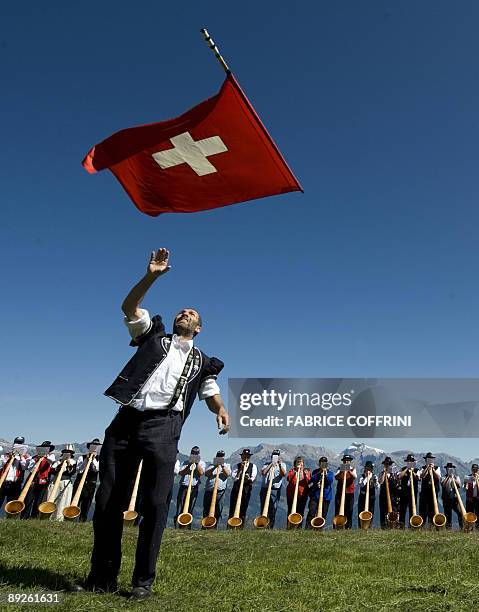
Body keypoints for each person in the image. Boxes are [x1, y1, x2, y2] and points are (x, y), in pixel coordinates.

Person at [70, 248, 229, 600]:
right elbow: (129, 308)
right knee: (109, 499)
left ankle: (142, 583)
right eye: (181, 311)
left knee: (155, 505)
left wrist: (221, 410)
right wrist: (151, 277)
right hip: (126, 421)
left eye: (192, 313)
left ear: (199, 328)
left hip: (165, 428)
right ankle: (102, 578)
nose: (185, 312)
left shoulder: (204, 362)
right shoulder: (153, 336)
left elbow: (209, 392)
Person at [22, 441, 56, 519]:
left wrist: (45, 456)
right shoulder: (34, 458)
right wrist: (37, 459)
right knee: (28, 499)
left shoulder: (51, 456)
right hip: (33, 480)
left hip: (43, 481)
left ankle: (34, 517)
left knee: (39, 500)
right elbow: (30, 469)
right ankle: (24, 517)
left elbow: (51, 462)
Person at [174, 446, 205, 526]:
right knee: (180, 506)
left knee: (190, 507)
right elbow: (181, 473)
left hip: (194, 487)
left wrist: (196, 464)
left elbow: (201, 473)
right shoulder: (185, 462)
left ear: (199, 454)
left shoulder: (202, 463)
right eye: (193, 453)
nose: (194, 455)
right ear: (190, 453)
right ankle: (178, 524)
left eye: (196, 453)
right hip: (184, 487)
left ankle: (187, 525)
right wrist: (189, 465)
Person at [72, 438, 101, 522]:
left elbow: (96, 469)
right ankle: (71, 518)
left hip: (90, 485)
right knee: (76, 502)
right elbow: (79, 470)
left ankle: (82, 520)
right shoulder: (82, 457)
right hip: (79, 483)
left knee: (87, 504)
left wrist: (93, 459)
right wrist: (86, 460)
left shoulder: (99, 459)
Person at [258, 450, 287, 529]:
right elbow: (263, 472)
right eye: (274, 455)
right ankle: (262, 525)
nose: (275, 457)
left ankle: (270, 526)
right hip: (265, 488)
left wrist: (279, 464)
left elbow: (283, 474)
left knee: (273, 508)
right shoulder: (266, 464)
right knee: (263, 507)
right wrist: (271, 464)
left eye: (277, 455)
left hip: (275, 489)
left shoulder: (283, 464)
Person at [228, 449, 257, 527]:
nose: (245, 458)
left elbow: (253, 478)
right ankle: (231, 525)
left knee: (244, 506)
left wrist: (248, 478)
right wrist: (240, 469)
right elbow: (234, 478)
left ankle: (241, 525)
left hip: (246, 488)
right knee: (233, 506)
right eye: (244, 456)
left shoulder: (253, 466)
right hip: (237, 487)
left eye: (247, 456)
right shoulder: (236, 466)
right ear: (241, 457)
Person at [48, 444, 77, 521]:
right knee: (52, 498)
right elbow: (52, 471)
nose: (67, 453)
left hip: (65, 482)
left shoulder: (73, 462)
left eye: (69, 452)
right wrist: (61, 463)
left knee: (63, 500)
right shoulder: (58, 462)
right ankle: (49, 516)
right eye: (65, 452)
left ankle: (59, 518)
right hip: (55, 481)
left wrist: (68, 464)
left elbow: (71, 472)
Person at [202, 450, 231, 527]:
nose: (220, 457)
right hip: (209, 490)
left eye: (221, 456)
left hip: (220, 491)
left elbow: (227, 474)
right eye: (219, 456)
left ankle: (215, 526)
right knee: (206, 509)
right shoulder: (211, 465)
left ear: (224, 457)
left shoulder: (227, 465)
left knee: (218, 509)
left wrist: (222, 466)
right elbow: (206, 474)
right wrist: (215, 466)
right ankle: (205, 525)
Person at [0, 437, 30, 509]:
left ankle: (10, 518)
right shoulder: (5, 455)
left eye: (20, 444)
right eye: (17, 443)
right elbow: (1, 465)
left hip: (15, 483)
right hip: (4, 482)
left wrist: (21, 456)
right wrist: (8, 457)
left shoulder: (25, 457)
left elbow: (24, 467)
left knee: (12, 504)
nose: (18, 445)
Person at [306, 457, 334, 529]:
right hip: (315, 495)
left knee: (323, 514)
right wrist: (320, 473)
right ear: (319, 464)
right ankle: (308, 528)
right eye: (321, 463)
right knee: (311, 512)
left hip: (326, 497)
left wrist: (325, 473)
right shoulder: (315, 472)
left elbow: (329, 481)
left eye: (324, 463)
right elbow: (312, 480)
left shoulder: (330, 473)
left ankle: (319, 529)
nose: (322, 464)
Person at [286, 456, 311, 528]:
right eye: (298, 462)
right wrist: (296, 471)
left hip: (302, 494)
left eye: (301, 462)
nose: (300, 464)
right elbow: (289, 479)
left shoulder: (307, 471)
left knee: (300, 511)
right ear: (295, 464)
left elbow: (308, 482)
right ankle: (289, 526)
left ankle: (299, 527)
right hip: (292, 494)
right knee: (290, 511)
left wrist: (305, 474)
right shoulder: (292, 471)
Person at [398, 454, 421, 528]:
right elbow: (399, 476)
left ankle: (412, 526)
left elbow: (418, 478)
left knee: (412, 509)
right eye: (408, 461)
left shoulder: (417, 470)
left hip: (413, 493)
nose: (409, 462)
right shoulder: (403, 469)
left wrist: (412, 471)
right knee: (402, 509)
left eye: (411, 461)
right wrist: (407, 469)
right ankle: (401, 526)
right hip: (404, 492)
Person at [334, 454, 357, 529]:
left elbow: (354, 477)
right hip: (340, 492)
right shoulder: (339, 469)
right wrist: (341, 471)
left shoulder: (353, 469)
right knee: (338, 509)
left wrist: (349, 471)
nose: (346, 462)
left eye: (348, 461)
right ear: (343, 461)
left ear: (350, 462)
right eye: (345, 461)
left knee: (349, 510)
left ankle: (348, 527)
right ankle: (337, 525)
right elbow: (336, 477)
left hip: (349, 493)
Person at [419, 452, 441, 526]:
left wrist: (433, 469)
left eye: (431, 459)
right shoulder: (422, 468)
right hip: (424, 492)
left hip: (434, 492)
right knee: (423, 510)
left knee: (432, 510)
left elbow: (438, 477)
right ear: (426, 460)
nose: (430, 460)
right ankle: (422, 525)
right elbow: (421, 476)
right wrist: (427, 468)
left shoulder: (437, 468)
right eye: (429, 459)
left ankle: (431, 525)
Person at [378, 457, 399, 528]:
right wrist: (384, 473)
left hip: (393, 495)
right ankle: (383, 526)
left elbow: (397, 483)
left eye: (389, 464)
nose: (387, 465)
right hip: (383, 496)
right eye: (386, 464)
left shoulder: (394, 474)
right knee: (383, 511)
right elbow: (381, 482)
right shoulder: (381, 473)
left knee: (394, 510)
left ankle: (393, 525)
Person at [441, 462, 463, 530]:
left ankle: (461, 527)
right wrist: (448, 477)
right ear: (446, 469)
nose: (450, 470)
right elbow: (443, 484)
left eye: (451, 468)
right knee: (448, 514)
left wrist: (453, 478)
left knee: (460, 513)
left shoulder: (457, 477)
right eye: (448, 468)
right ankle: (448, 528)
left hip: (455, 499)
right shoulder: (443, 477)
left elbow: (459, 485)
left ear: (453, 469)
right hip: (446, 498)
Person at [357, 461, 378, 527]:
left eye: (370, 469)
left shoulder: (374, 477)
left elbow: (377, 487)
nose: (368, 470)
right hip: (362, 497)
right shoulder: (362, 477)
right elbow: (361, 485)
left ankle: (369, 526)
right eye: (367, 468)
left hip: (371, 497)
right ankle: (361, 526)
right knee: (361, 511)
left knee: (371, 511)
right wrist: (366, 478)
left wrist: (375, 482)